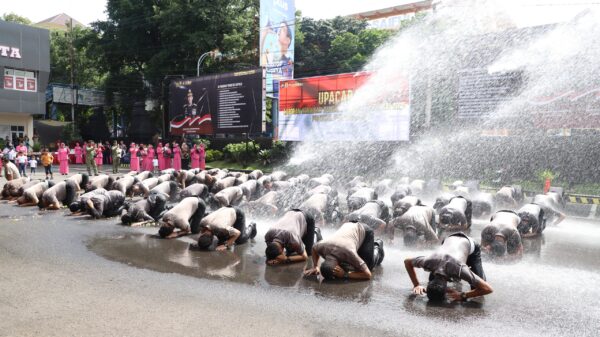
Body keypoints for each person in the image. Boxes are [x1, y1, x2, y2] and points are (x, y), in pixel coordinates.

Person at [404, 233, 493, 302]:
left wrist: (463, 295)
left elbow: (488, 289)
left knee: (477, 289)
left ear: (447, 288)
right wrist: (417, 285)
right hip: (448, 241)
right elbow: (407, 261)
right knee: (434, 284)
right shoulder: (428, 262)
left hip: (469, 244)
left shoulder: (459, 269)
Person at [304, 221, 384, 281]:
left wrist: (345, 275)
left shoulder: (349, 252)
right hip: (347, 225)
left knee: (369, 266)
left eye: (336, 271)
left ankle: (377, 246)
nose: (336, 272)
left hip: (364, 230)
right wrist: (315, 266)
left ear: (337, 266)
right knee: (352, 263)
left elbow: (367, 275)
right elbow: (314, 248)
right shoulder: (322, 247)